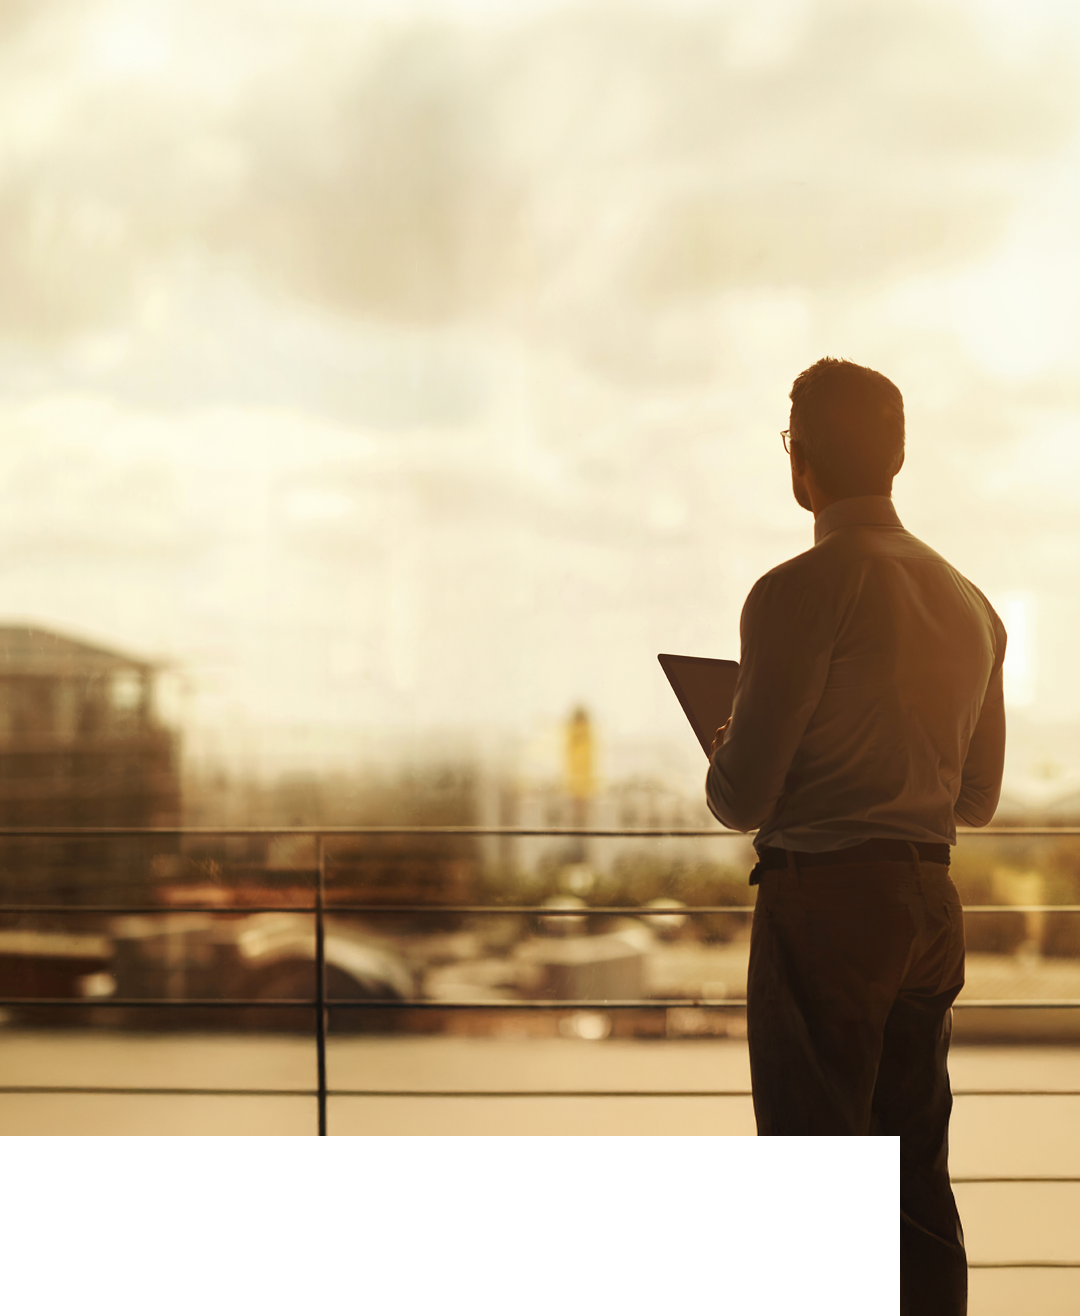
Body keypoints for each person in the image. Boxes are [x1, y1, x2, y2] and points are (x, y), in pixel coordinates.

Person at [706, 357, 1006, 1316]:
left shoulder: (795, 590)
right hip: (929, 901)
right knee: (916, 1183)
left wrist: (727, 739)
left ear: (801, 459)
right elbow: (980, 798)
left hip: (826, 902)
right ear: (899, 454)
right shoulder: (973, 604)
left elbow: (741, 798)